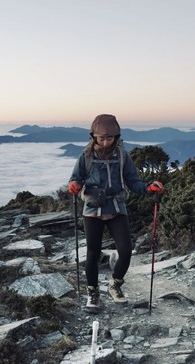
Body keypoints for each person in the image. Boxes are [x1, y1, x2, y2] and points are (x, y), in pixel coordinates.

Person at [68, 114, 164, 313]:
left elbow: (133, 181)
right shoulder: (85, 156)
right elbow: (75, 178)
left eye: (110, 138)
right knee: (93, 254)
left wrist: (148, 188)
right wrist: (74, 185)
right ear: (93, 136)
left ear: (116, 137)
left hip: (117, 208)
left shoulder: (122, 156)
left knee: (126, 251)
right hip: (93, 209)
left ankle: (115, 285)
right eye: (101, 138)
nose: (105, 142)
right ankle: (93, 293)